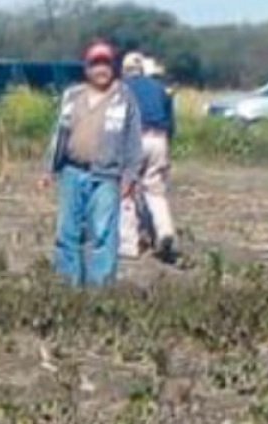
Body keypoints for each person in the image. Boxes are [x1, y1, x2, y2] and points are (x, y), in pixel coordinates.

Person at [41, 41, 144, 287]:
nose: (101, 70)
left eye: (106, 64)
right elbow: (59, 135)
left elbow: (133, 140)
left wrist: (130, 177)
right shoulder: (72, 95)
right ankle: (68, 288)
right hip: (72, 171)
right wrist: (48, 169)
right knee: (67, 234)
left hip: (107, 176)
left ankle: (100, 292)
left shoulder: (124, 97)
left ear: (113, 67)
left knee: (102, 236)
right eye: (96, 64)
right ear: (87, 68)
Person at [120, 52, 178, 264]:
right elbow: (171, 122)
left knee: (127, 191)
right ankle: (164, 231)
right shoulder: (160, 88)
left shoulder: (122, 88)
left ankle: (128, 244)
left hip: (136, 138)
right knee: (155, 191)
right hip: (160, 139)